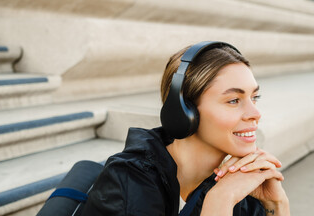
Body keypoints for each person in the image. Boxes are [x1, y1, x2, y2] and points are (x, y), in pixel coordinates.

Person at [80, 42, 290, 215]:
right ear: (184, 112)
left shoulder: (241, 185)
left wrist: (277, 206)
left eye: (255, 97)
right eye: (234, 100)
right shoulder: (129, 183)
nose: (255, 113)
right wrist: (218, 201)